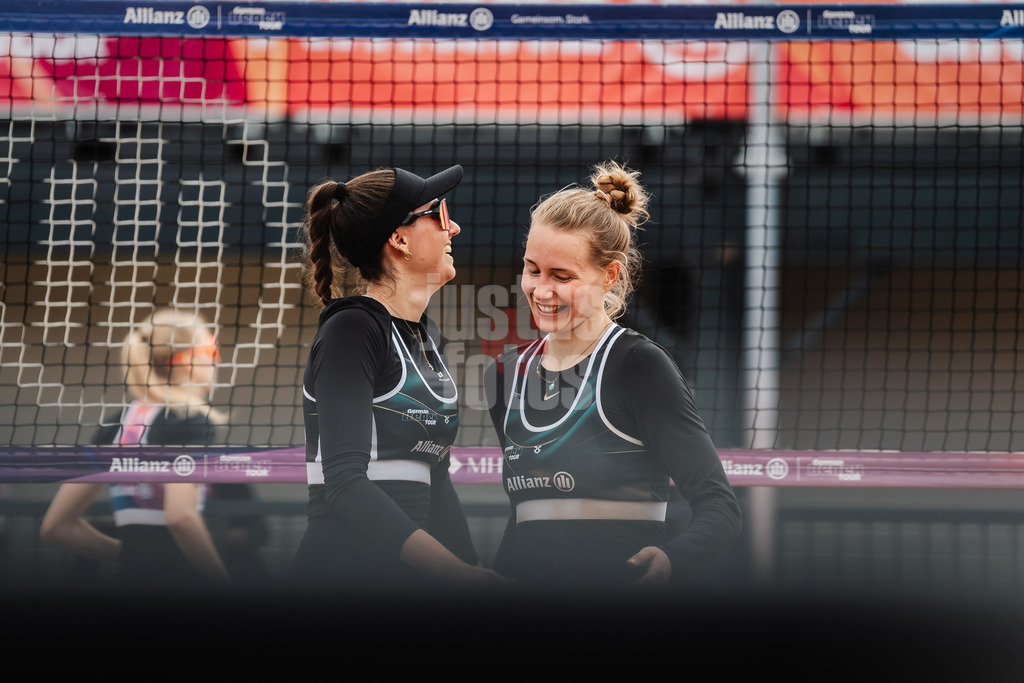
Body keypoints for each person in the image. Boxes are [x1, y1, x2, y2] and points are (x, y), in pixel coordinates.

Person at [487, 160, 742, 592]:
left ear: (610, 275)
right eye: (533, 269)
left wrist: (672, 558)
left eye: (562, 276)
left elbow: (720, 508)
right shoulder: (506, 374)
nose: (541, 289)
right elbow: (526, 518)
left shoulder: (639, 366)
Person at [292, 164, 502, 592]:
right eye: (440, 214)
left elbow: (437, 479)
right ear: (399, 238)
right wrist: (456, 573)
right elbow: (345, 484)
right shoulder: (352, 329)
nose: (455, 228)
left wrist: (474, 567)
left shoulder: (427, 336)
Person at [40, 308, 231, 589]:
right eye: (211, 349)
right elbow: (181, 516)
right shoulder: (190, 421)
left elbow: (56, 528)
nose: (218, 360)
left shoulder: (116, 423)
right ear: (187, 359)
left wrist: (133, 556)